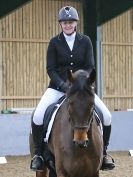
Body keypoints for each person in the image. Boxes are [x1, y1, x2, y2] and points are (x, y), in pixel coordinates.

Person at [30, 6, 115, 171]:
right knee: (38, 115)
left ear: (76, 23)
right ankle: (39, 155)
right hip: (57, 87)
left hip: (82, 90)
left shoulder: (86, 41)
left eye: (70, 22)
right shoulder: (55, 42)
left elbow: (90, 66)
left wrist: (82, 84)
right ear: (61, 24)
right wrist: (63, 85)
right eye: (65, 22)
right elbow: (51, 69)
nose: (68, 25)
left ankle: (103, 154)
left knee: (106, 115)